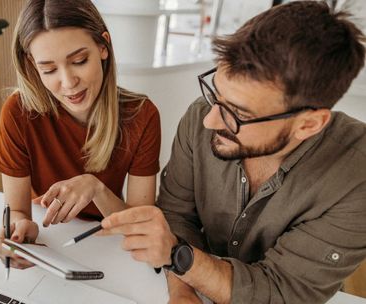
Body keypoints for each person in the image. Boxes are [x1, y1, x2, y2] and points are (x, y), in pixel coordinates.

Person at [99, 2, 366, 303]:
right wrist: (183, 292)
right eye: (217, 92)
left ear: (308, 125)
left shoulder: (357, 176)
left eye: (238, 113)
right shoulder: (204, 116)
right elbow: (175, 214)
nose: (210, 121)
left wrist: (179, 256)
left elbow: (282, 292)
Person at [0, 0, 161, 269]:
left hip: (110, 244)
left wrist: (95, 188)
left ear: (103, 47)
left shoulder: (142, 116)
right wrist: (20, 230)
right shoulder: (18, 112)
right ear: (32, 65)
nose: (69, 83)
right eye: (48, 69)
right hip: (51, 236)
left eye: (79, 61)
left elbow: (140, 227)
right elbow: (19, 211)